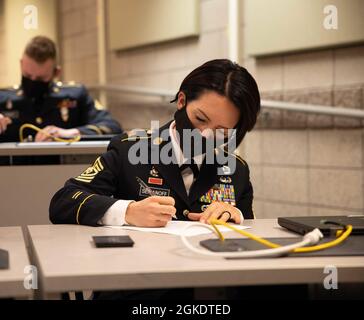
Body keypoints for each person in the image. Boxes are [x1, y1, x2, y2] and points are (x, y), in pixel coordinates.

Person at [49, 59, 261, 227]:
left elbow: (247, 233)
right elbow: (64, 201)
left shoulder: (236, 170)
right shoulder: (129, 149)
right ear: (181, 101)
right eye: (200, 119)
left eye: (221, 131)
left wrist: (237, 215)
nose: (204, 136)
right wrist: (127, 211)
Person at [0, 36, 122, 143]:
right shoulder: (3, 98)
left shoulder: (75, 95)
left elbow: (112, 126)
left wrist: (70, 133)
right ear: (21, 64)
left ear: (56, 72)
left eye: (40, 79)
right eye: (27, 76)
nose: (32, 81)